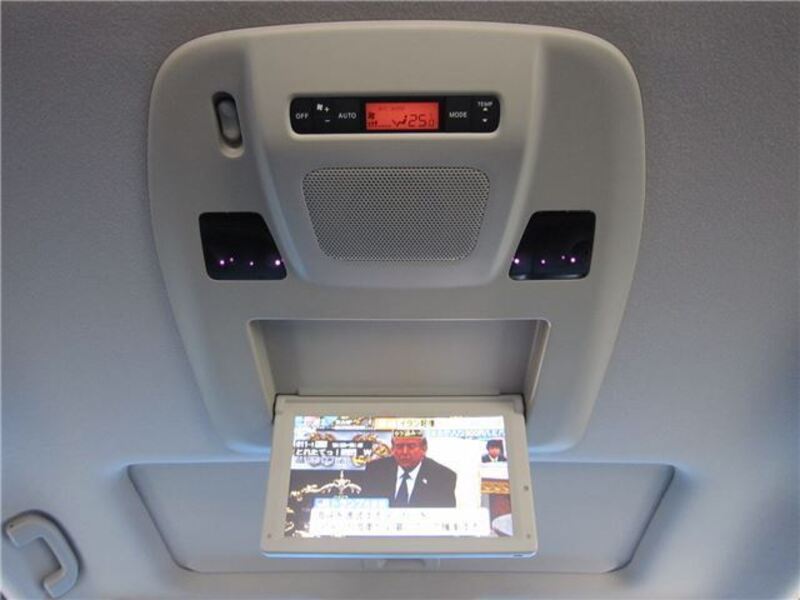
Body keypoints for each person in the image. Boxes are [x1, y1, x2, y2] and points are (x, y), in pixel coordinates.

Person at [361, 430, 457, 507]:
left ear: (424, 448)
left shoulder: (443, 477)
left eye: (411, 446)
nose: (405, 452)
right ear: (392, 448)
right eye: (399, 446)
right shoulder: (375, 471)